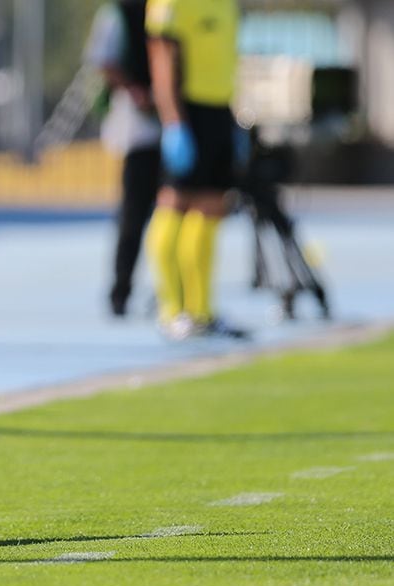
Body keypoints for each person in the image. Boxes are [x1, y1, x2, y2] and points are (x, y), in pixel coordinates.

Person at [143, 0, 248, 338]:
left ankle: (201, 310)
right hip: (189, 113)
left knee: (211, 209)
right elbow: (161, 62)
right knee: (174, 204)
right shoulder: (171, 3)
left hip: (220, 112)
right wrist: (173, 122)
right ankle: (172, 310)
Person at [84, 0, 162, 317]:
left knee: (175, 215)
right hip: (140, 129)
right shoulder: (119, 13)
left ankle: (171, 293)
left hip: (176, 123)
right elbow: (104, 61)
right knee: (134, 214)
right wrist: (137, 91)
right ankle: (121, 291)